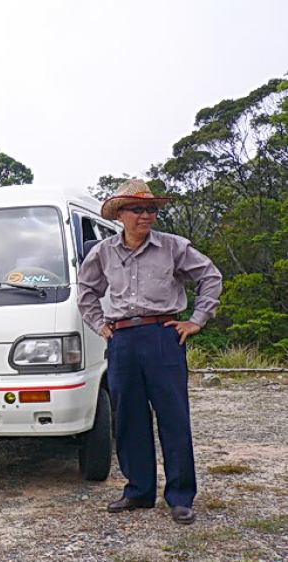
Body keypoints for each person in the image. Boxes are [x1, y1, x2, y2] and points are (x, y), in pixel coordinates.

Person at [78, 179, 222, 525]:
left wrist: (197, 320)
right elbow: (86, 291)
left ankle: (181, 497)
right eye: (138, 209)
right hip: (123, 339)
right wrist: (100, 325)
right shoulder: (104, 252)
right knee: (129, 417)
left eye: (151, 209)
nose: (146, 215)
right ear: (121, 215)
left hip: (163, 336)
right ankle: (138, 491)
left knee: (173, 416)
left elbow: (210, 277)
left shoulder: (174, 247)